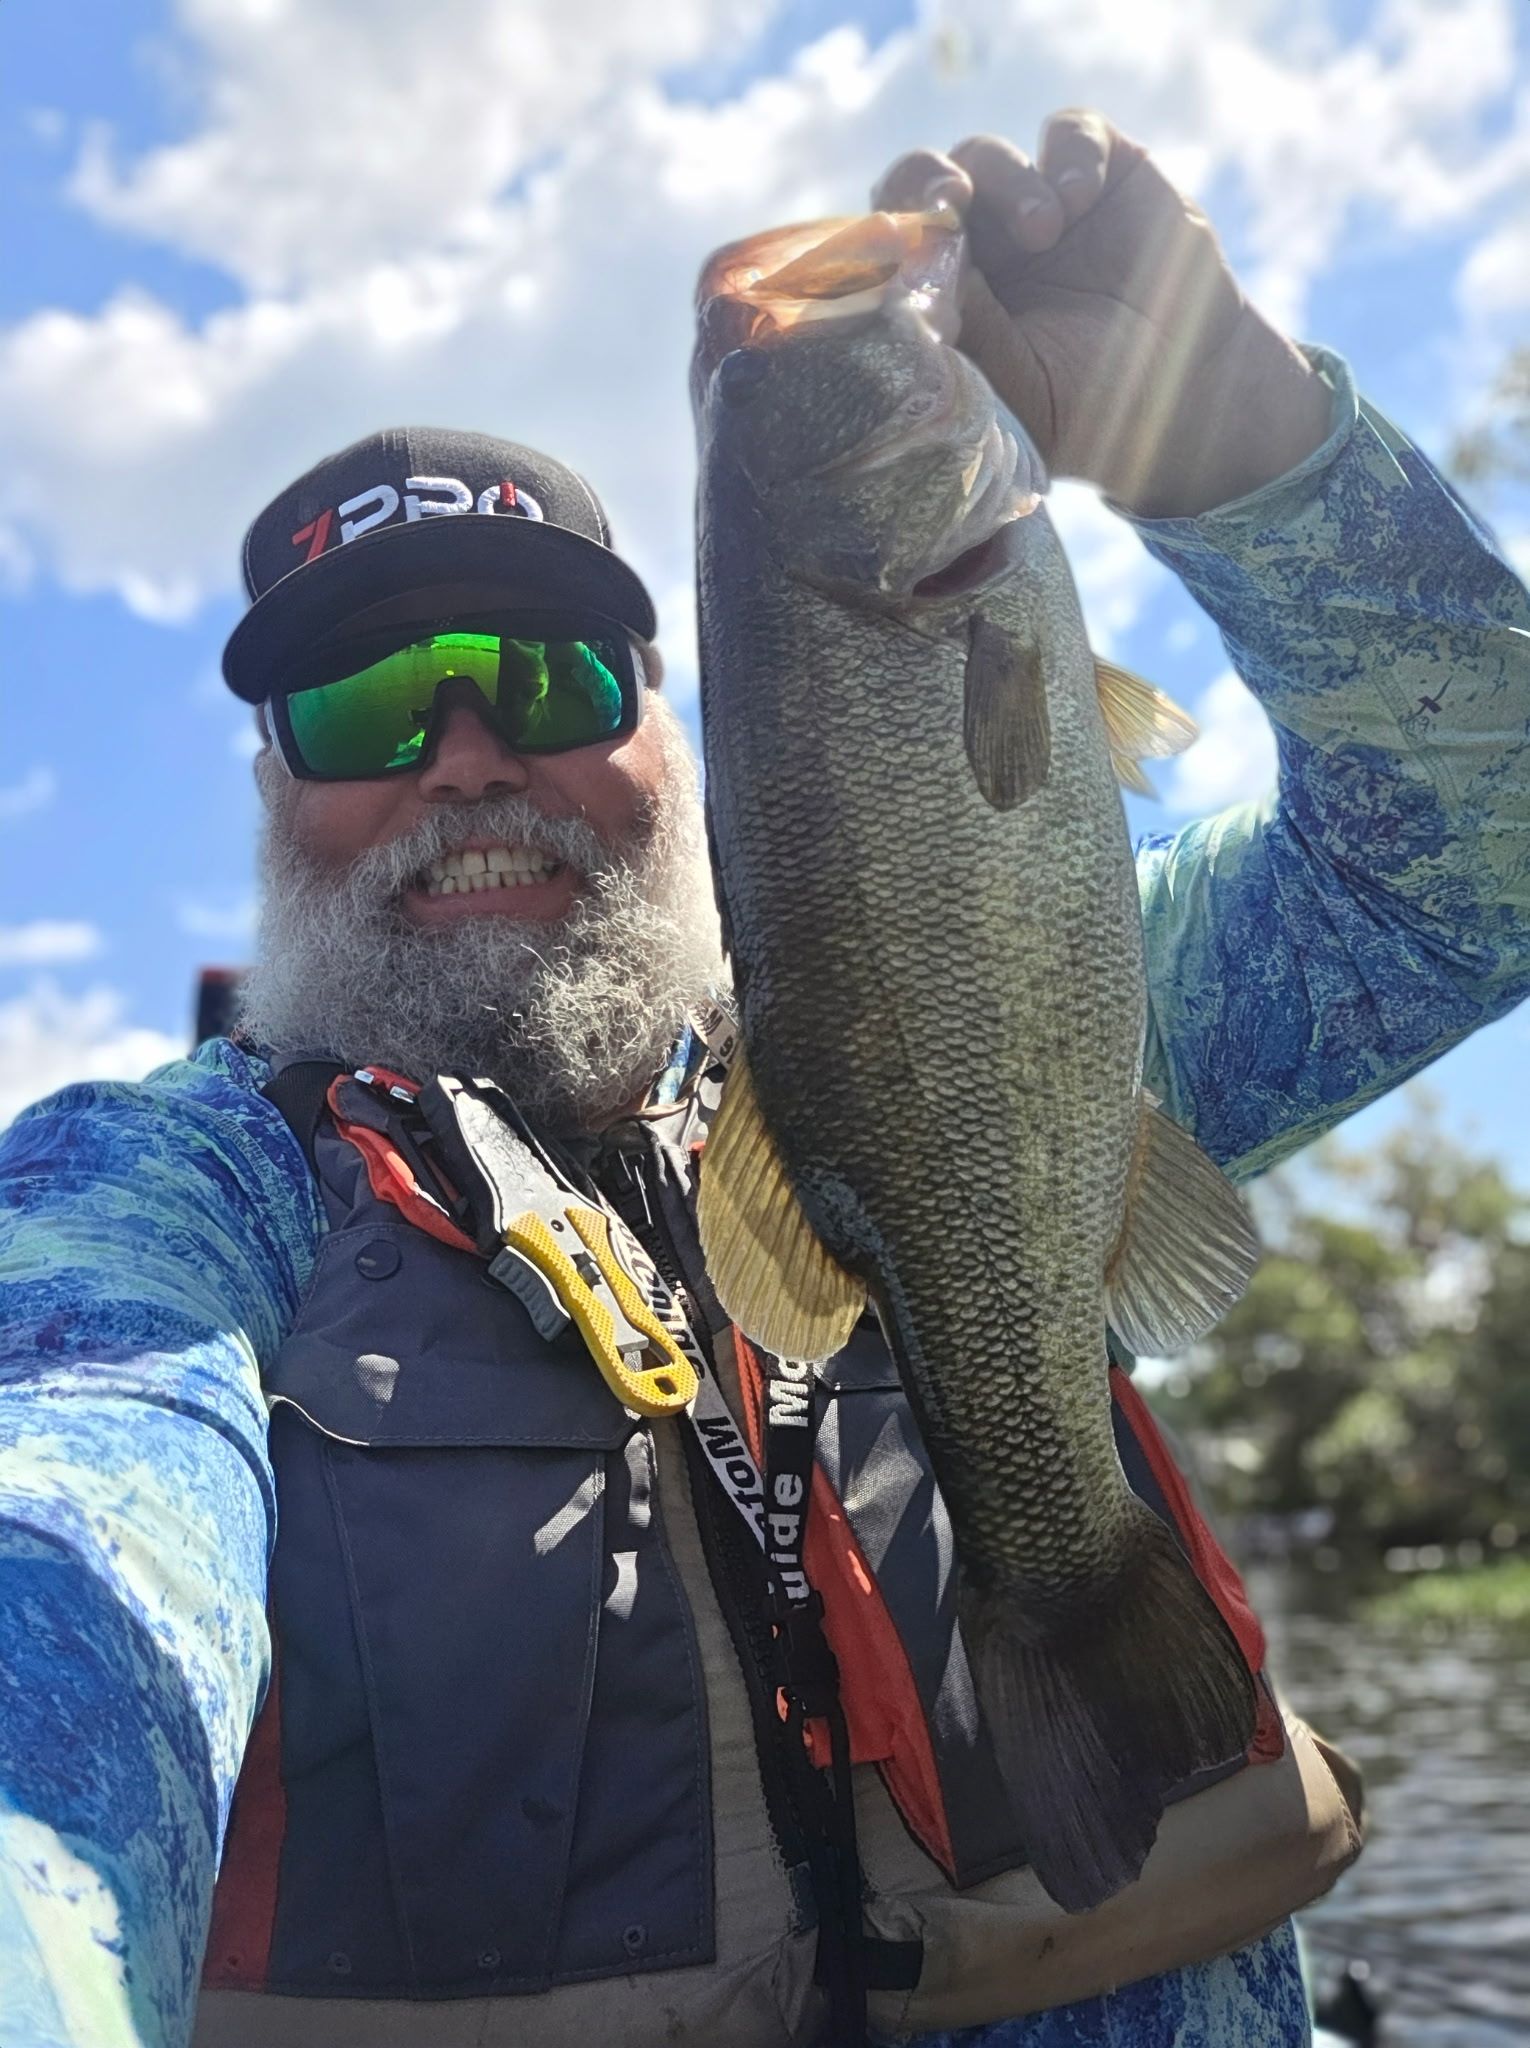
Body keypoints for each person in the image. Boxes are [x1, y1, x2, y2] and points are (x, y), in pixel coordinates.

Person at [0, 109, 1525, 2048]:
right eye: (366, 700)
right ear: (270, 792)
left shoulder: (1002, 989)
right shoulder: (167, 1211)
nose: (466, 760)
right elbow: (52, 1534)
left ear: (670, 720)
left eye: (545, 673)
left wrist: (1232, 436)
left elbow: (1481, 855)